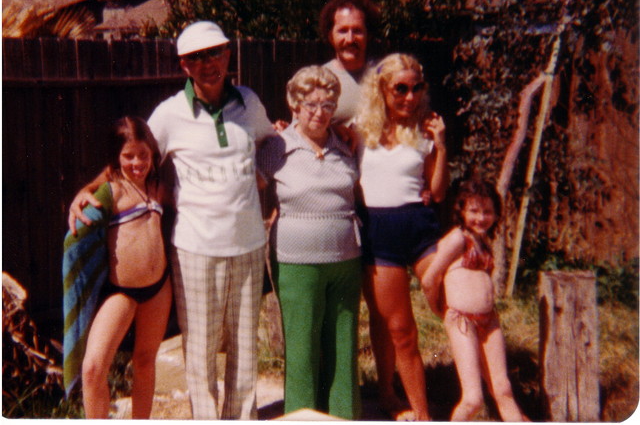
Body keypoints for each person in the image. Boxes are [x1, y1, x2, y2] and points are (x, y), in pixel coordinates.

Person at [67, 21, 275, 420]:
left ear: (228, 54)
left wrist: (262, 174)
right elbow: (133, 158)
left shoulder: (249, 102)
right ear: (184, 65)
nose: (209, 64)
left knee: (245, 349)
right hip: (195, 247)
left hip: (249, 242)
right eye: (197, 57)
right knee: (200, 351)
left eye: (215, 53)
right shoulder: (169, 113)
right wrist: (88, 190)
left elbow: (271, 139)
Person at [256, 66, 362, 419]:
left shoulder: (346, 144)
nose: (320, 112)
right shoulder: (276, 145)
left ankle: (344, 418)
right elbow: (249, 188)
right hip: (296, 262)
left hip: (346, 260)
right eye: (312, 104)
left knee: (343, 346)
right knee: (302, 349)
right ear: (295, 104)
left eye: (328, 105)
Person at [356, 53, 448, 420]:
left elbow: (437, 192)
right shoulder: (359, 130)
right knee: (399, 329)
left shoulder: (426, 129)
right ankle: (412, 408)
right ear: (382, 89)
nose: (410, 97)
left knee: (458, 299)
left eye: (417, 88)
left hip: (420, 227)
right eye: (401, 89)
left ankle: (486, 391)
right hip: (378, 232)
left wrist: (442, 145)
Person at [63, 116, 172, 418]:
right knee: (93, 368)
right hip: (122, 292)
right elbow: (77, 235)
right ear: (116, 156)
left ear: (153, 153)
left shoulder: (157, 187)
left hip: (159, 287)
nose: (137, 163)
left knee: (145, 361)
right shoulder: (111, 191)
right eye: (128, 156)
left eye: (143, 155)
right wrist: (82, 194)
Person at [421, 178, 528, 421]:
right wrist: (439, 309)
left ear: (496, 213)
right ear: (461, 210)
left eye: (487, 212)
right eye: (474, 211)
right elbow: (429, 279)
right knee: (473, 399)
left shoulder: (484, 240)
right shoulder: (458, 238)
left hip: (489, 321)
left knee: (503, 389)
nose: (481, 218)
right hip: (462, 321)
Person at [319, 0, 380, 125]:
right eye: (343, 31)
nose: (350, 39)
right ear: (331, 36)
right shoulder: (317, 80)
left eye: (357, 31)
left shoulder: (384, 75)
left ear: (368, 35)